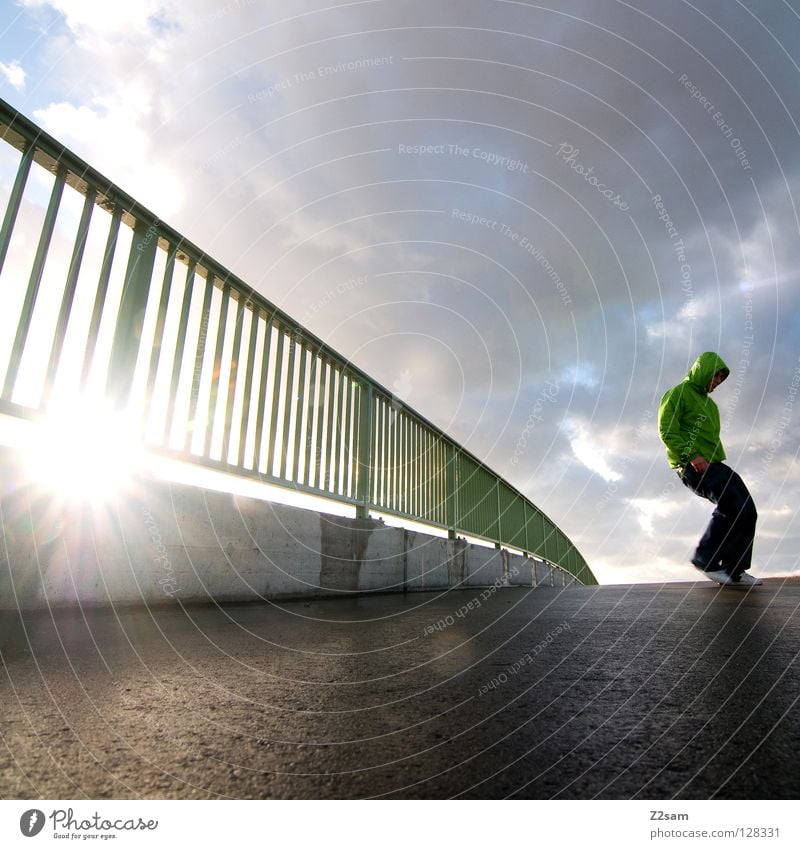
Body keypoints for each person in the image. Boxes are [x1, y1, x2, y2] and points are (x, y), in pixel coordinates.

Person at [658, 352, 762, 587]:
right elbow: (667, 430)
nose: (716, 383)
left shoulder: (710, 404)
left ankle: (734, 569)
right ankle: (705, 559)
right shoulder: (678, 393)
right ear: (702, 370)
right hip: (691, 464)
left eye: (720, 380)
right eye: (715, 377)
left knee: (748, 509)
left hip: (713, 463)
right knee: (731, 503)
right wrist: (691, 455)